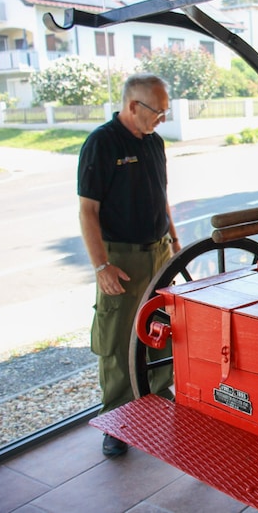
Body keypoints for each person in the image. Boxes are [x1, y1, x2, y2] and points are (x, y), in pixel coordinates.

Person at [78, 73, 180, 457]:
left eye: (165, 111)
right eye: (158, 111)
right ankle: (118, 419)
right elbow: (87, 211)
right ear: (133, 106)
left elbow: (162, 195)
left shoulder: (155, 143)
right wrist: (101, 266)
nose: (161, 119)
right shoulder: (101, 144)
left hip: (159, 251)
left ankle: (156, 393)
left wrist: (173, 237)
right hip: (120, 257)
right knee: (119, 338)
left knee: (159, 327)